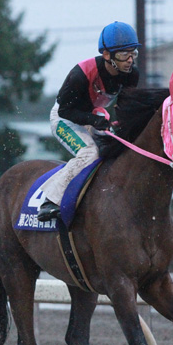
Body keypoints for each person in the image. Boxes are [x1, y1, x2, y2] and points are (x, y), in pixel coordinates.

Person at [37, 21, 141, 221]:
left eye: (133, 53)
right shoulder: (80, 75)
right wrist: (93, 120)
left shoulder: (131, 75)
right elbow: (65, 111)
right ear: (107, 55)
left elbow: (125, 107)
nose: (130, 60)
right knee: (89, 153)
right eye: (123, 54)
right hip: (64, 119)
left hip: (94, 117)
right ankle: (50, 201)